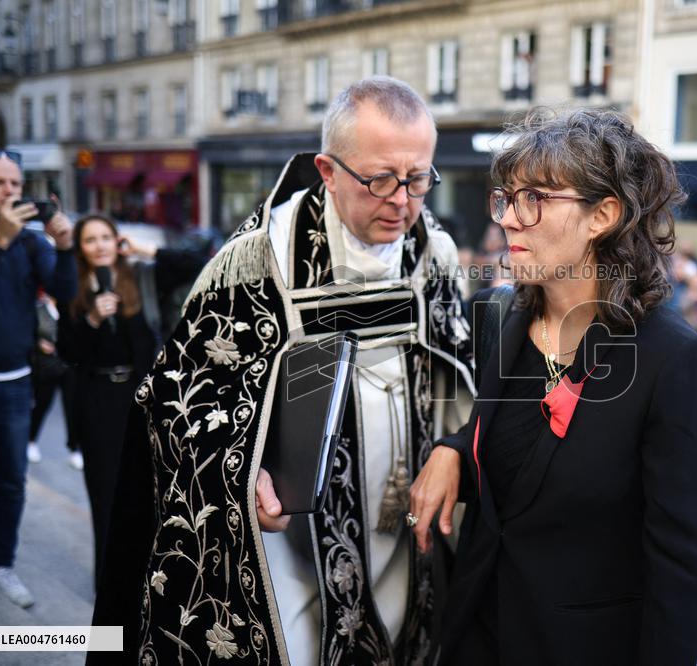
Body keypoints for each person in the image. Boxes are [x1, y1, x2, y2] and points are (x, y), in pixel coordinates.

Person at [89, 77, 475, 665]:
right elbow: (181, 403)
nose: (402, 200)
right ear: (327, 169)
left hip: (404, 526)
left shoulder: (436, 253)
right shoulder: (254, 263)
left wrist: (454, 445)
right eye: (379, 180)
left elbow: (462, 376)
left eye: (418, 178)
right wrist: (244, 475)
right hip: (291, 544)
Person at [409, 107, 697, 665]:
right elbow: (507, 439)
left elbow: (680, 572)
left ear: (603, 214)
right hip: (474, 636)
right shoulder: (495, 315)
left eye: (534, 198)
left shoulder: (673, 358)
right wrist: (453, 448)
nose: (508, 218)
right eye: (505, 198)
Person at [57, 213, 204, 588]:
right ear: (80, 248)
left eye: (106, 237)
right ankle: (109, 583)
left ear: (117, 241)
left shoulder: (141, 276)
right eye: (90, 240)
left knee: (151, 493)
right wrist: (90, 319)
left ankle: (151, 580)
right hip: (98, 401)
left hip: (143, 399)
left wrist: (145, 249)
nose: (100, 246)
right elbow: (67, 353)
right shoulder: (72, 285)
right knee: (105, 496)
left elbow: (199, 266)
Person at [0, 150, 76, 607]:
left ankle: (0, 562)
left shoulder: (32, 240)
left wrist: (65, 248)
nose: (9, 191)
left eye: (14, 183)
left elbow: (65, 294)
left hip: (16, 379)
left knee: (12, 478)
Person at [27, 290, 82, 470]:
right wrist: (39, 343)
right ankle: (31, 440)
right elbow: (30, 332)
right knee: (42, 403)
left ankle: (74, 448)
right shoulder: (40, 307)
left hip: (69, 366)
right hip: (47, 366)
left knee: (73, 406)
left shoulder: (73, 307)